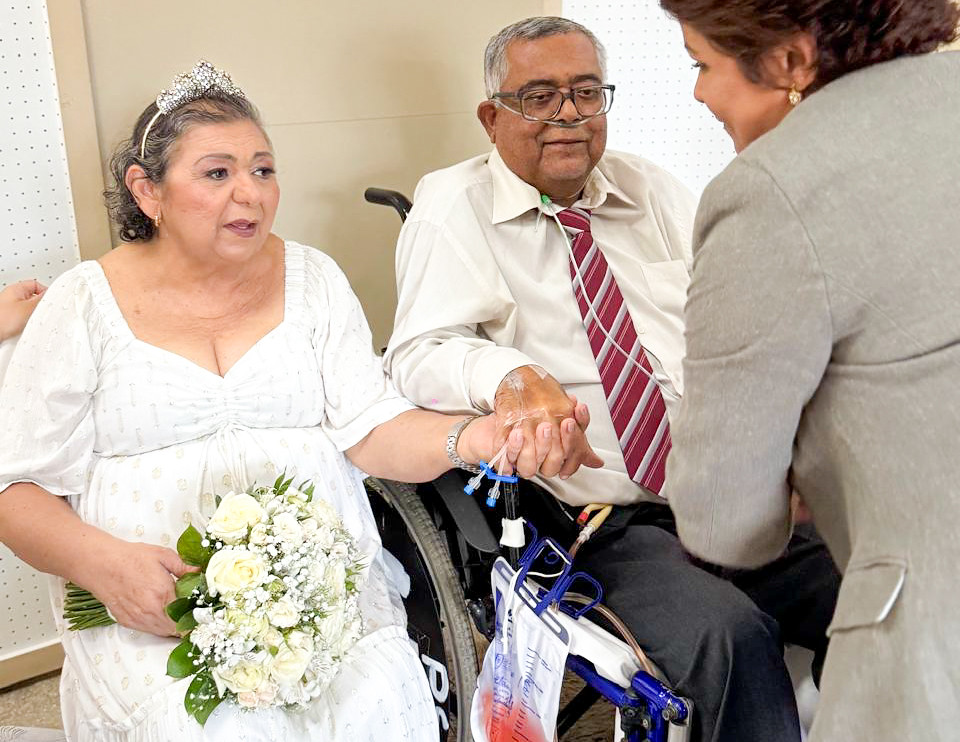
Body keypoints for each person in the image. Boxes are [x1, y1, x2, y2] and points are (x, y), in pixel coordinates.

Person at [0, 61, 583, 742]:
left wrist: (476, 438)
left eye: (264, 170)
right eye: (217, 173)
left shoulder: (314, 278)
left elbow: (371, 430)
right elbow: (16, 488)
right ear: (146, 190)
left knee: (376, 709)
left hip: (322, 603)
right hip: (154, 612)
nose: (249, 194)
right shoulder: (81, 303)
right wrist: (101, 565)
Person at [385, 16, 840, 742]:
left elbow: (738, 315)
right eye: (538, 96)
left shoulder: (652, 188)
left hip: (722, 486)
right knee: (729, 636)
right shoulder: (453, 205)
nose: (568, 114)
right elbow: (417, 351)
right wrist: (512, 372)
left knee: (873, 587)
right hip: (604, 523)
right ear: (491, 115)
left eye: (586, 92)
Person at [657, 1, 960, 740]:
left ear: (791, 60)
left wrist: (791, 476)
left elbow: (723, 520)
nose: (697, 93)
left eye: (702, 64)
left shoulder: (771, 192)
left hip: (930, 635)